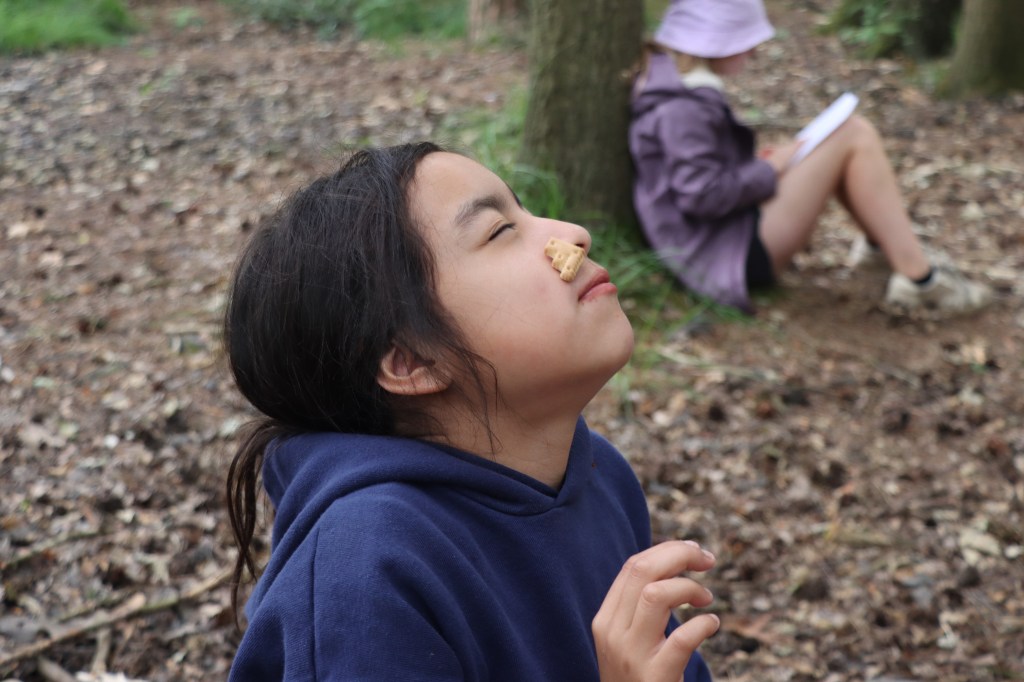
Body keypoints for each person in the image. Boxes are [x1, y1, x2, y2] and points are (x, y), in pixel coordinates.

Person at [223, 142, 719, 681]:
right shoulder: (366, 574)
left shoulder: (599, 474)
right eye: (500, 231)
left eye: (525, 211)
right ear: (412, 361)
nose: (573, 234)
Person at [629, 0, 993, 317]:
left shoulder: (678, 90)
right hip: (725, 255)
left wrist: (762, 165)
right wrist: (767, 169)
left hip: (726, 239)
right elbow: (702, 196)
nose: (753, 52)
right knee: (854, 134)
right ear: (715, 40)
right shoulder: (681, 108)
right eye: (745, 41)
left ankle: (886, 250)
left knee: (843, 139)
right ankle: (920, 279)